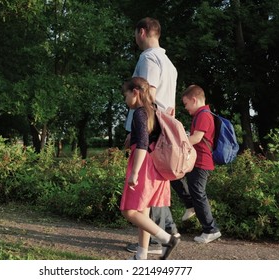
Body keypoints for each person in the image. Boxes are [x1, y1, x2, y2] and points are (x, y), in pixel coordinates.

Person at [124, 17, 179, 256]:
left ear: (143, 32)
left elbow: (149, 95)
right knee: (147, 202)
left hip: (147, 137)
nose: (135, 39)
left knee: (135, 204)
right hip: (162, 137)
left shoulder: (148, 58)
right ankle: (142, 252)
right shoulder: (169, 64)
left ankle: (165, 238)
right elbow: (172, 109)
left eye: (136, 34)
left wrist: (135, 131)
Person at [120, 77, 180, 260]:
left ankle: (166, 239)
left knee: (128, 210)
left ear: (135, 92)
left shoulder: (139, 113)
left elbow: (142, 144)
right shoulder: (153, 109)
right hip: (155, 165)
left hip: (143, 164)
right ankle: (141, 256)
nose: (125, 99)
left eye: (126, 95)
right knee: (143, 210)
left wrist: (135, 173)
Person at [171, 85, 221, 243]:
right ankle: (190, 205)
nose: (185, 108)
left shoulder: (204, 115)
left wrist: (177, 145)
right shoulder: (201, 115)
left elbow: (196, 138)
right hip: (195, 160)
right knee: (174, 175)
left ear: (194, 100)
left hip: (201, 162)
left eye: (185, 104)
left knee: (199, 194)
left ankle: (211, 229)